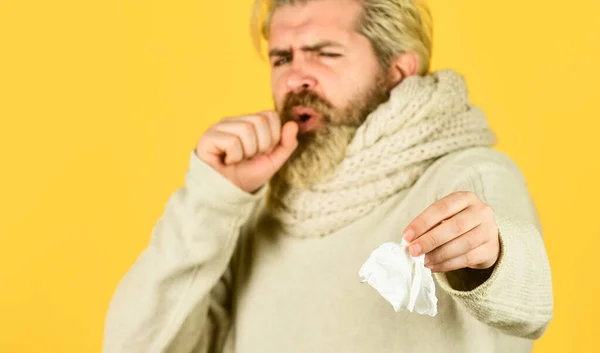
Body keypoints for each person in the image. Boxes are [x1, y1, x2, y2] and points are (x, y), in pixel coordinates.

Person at [102, 0, 553, 352]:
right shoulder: (254, 209)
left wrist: (493, 256)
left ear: (397, 72)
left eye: (325, 53)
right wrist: (211, 197)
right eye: (282, 58)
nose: (297, 76)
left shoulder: (466, 177)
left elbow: (528, 306)